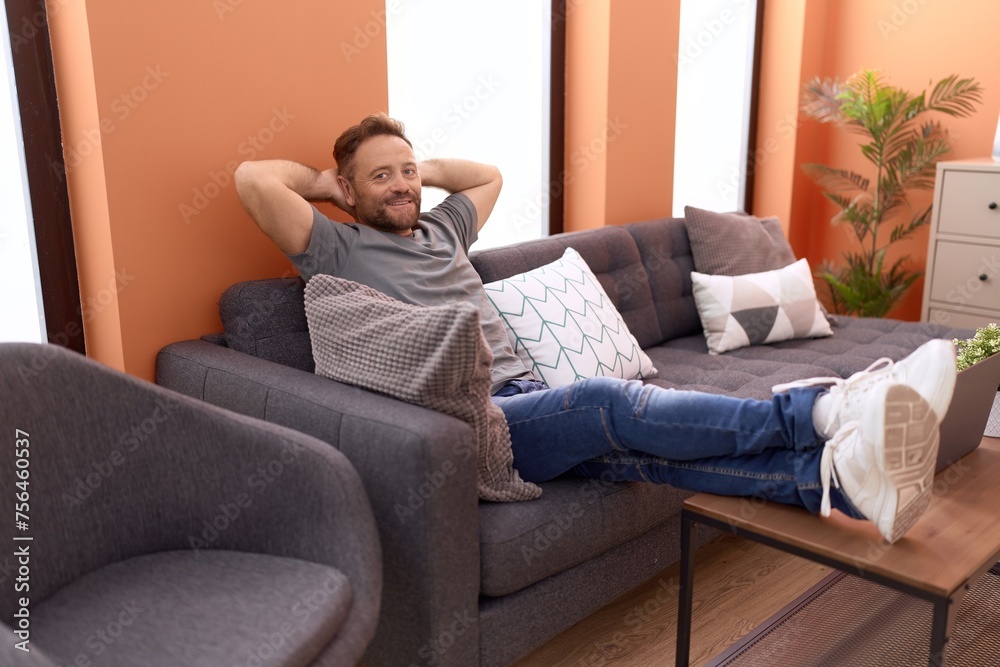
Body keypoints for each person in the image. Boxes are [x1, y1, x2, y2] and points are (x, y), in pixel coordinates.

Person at [234, 113, 957, 544]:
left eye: (406, 171)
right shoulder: (335, 247)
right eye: (380, 177)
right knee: (610, 402)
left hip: (533, 391)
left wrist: (414, 161)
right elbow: (251, 179)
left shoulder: (439, 227)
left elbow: (486, 174)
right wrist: (328, 184)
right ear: (349, 189)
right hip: (485, 416)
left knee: (643, 458)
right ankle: (825, 411)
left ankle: (839, 486)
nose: (401, 186)